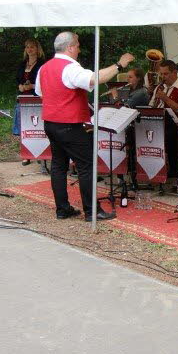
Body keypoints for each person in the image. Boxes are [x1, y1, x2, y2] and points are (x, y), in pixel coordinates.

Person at [35, 31, 134, 222]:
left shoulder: (44, 68)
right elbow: (95, 78)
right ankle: (92, 211)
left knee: (58, 165)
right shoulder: (70, 68)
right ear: (70, 47)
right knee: (86, 166)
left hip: (50, 122)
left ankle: (62, 209)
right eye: (78, 45)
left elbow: (41, 92)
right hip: (69, 124)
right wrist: (119, 65)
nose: (79, 49)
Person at [14, 38, 46, 165]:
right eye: (27, 47)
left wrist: (32, 86)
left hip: (37, 97)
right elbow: (17, 79)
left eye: (32, 47)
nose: (29, 49)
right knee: (24, 126)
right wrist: (20, 86)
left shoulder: (42, 64)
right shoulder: (22, 64)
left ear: (37, 49)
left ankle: (41, 152)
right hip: (23, 98)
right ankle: (26, 154)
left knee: (38, 125)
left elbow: (44, 81)